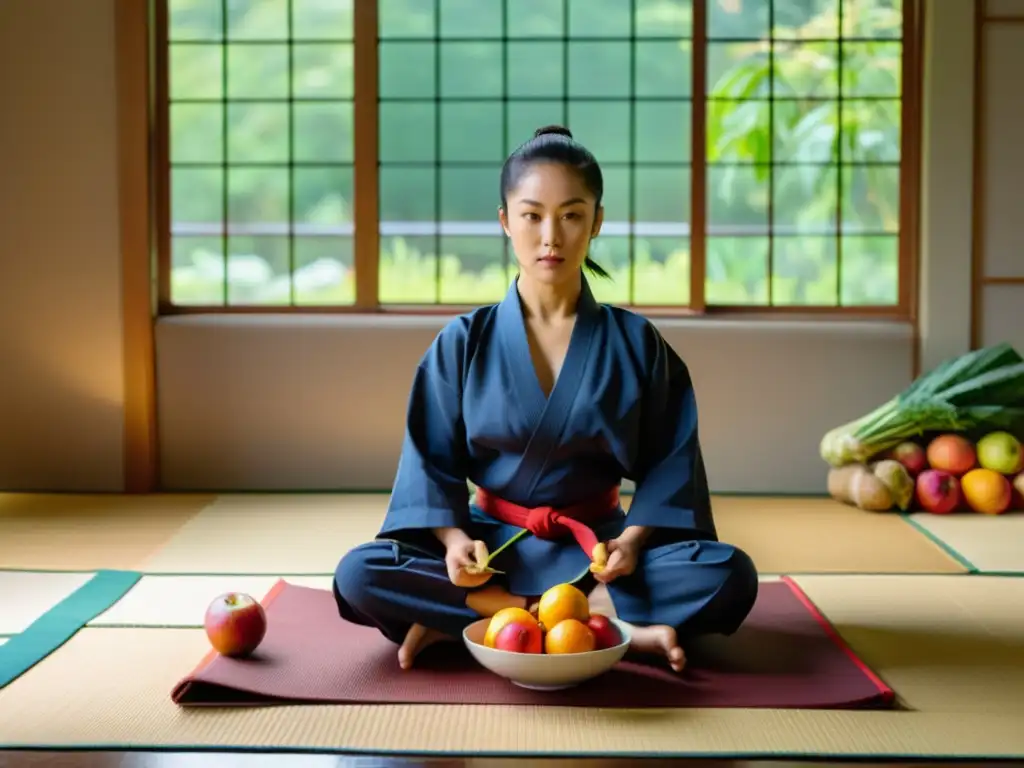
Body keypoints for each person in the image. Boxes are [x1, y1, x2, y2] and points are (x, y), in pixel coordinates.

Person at [333, 125, 759, 673]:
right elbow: (428, 463)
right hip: (491, 553)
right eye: (532, 215)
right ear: (505, 221)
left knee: (730, 574)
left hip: (599, 554)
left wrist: (631, 542)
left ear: (597, 221)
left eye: (571, 214)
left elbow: (670, 466)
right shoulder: (463, 342)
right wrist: (452, 538)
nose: (550, 236)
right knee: (360, 572)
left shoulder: (637, 344)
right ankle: (591, 625)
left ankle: (484, 622)